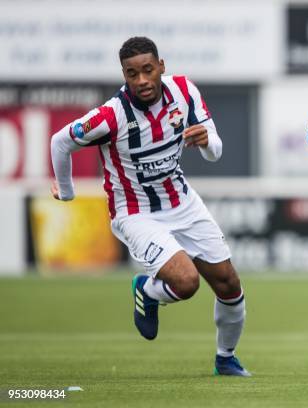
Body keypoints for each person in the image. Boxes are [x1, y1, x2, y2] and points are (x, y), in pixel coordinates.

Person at [50, 37, 250, 377]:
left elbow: (214, 150)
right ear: (124, 76)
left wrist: (206, 141)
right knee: (186, 283)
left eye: (147, 70)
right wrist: (67, 193)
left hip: (183, 202)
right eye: (132, 74)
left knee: (229, 284)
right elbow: (61, 141)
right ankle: (147, 290)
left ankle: (225, 358)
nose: (141, 80)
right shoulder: (111, 116)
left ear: (161, 66)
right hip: (136, 213)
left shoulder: (184, 91)